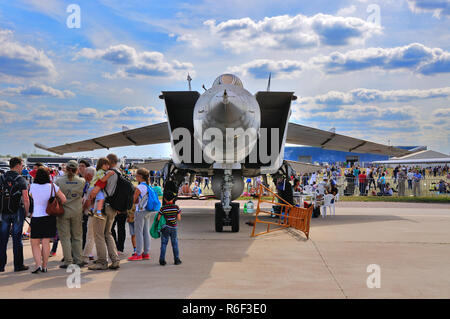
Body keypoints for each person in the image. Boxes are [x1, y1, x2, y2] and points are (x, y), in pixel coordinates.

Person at [28, 167, 66, 273]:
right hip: (49, 217)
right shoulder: (53, 186)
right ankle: (45, 266)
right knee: (45, 242)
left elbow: (31, 196)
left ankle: (38, 265)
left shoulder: (32, 187)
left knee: (34, 243)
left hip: (36, 217)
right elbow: (64, 199)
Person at [88, 153, 120, 271]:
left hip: (103, 206)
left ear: (109, 162)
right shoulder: (119, 173)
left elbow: (95, 190)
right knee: (108, 233)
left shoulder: (108, 174)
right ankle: (115, 259)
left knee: (99, 235)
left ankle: (102, 262)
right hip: (113, 208)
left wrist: (92, 194)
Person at [0, 157, 30, 272]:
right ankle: (18, 265)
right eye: (21, 165)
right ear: (17, 165)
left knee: (2, 239)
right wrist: (26, 212)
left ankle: (1, 265)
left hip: (3, 212)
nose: (22, 167)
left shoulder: (1, 178)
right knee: (17, 239)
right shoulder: (21, 179)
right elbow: (26, 198)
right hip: (17, 211)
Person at [55, 160, 86, 269]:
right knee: (77, 236)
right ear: (77, 169)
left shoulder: (59, 181)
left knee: (65, 237)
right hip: (77, 211)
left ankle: (68, 260)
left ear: (66, 168)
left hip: (63, 211)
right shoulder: (82, 181)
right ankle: (79, 259)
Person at [128, 168, 153, 261]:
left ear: (140, 176)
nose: (135, 177)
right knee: (146, 232)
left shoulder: (139, 187)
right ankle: (146, 253)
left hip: (140, 211)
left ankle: (138, 253)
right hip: (147, 210)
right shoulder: (148, 186)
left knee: (138, 232)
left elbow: (133, 200)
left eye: (136, 175)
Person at [158, 192, 182, 266]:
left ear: (165, 199)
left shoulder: (163, 208)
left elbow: (158, 219)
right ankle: (176, 259)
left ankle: (162, 260)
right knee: (175, 243)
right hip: (174, 227)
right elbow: (179, 218)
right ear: (173, 199)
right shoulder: (176, 207)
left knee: (164, 244)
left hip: (166, 227)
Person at [82, 167, 96, 263]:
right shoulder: (98, 183)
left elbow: (88, 201)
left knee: (89, 235)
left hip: (91, 212)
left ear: (89, 175)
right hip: (99, 212)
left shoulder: (91, 186)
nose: (83, 175)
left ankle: (86, 256)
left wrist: (82, 210)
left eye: (85, 173)